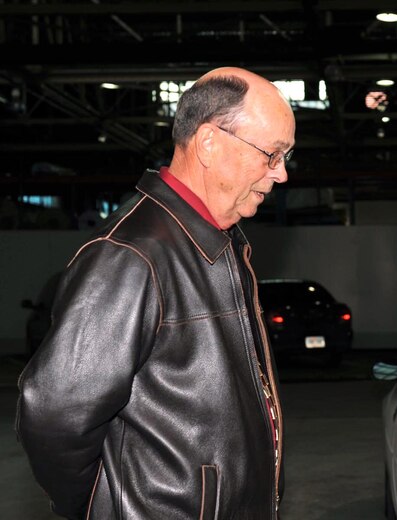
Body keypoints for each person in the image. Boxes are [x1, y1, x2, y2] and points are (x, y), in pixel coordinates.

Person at [16, 67, 295, 519]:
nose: (280, 174)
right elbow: (54, 413)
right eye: (272, 154)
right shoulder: (131, 255)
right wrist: (104, 507)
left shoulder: (218, 243)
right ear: (209, 143)